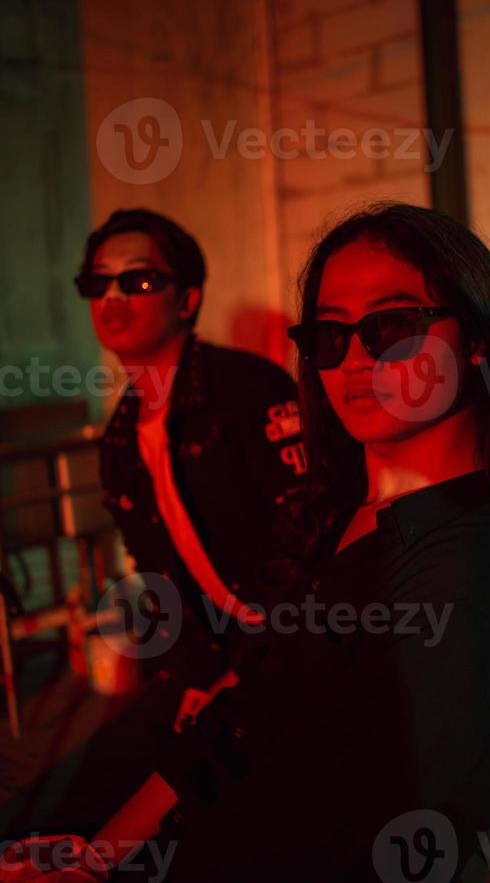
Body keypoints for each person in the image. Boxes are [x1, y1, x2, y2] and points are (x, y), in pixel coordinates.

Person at [5, 203, 490, 882]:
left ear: (477, 339)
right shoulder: (346, 513)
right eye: (328, 336)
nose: (354, 358)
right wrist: (92, 862)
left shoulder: (466, 577)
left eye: (390, 325)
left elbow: (334, 836)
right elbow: (241, 720)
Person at [69, 208, 305, 809]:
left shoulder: (251, 389)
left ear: (188, 298)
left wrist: (241, 674)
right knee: (102, 791)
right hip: (217, 656)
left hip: (304, 642)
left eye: (139, 281)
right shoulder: (122, 437)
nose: (113, 298)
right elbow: (158, 579)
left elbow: (310, 546)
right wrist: (198, 678)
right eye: (97, 283)